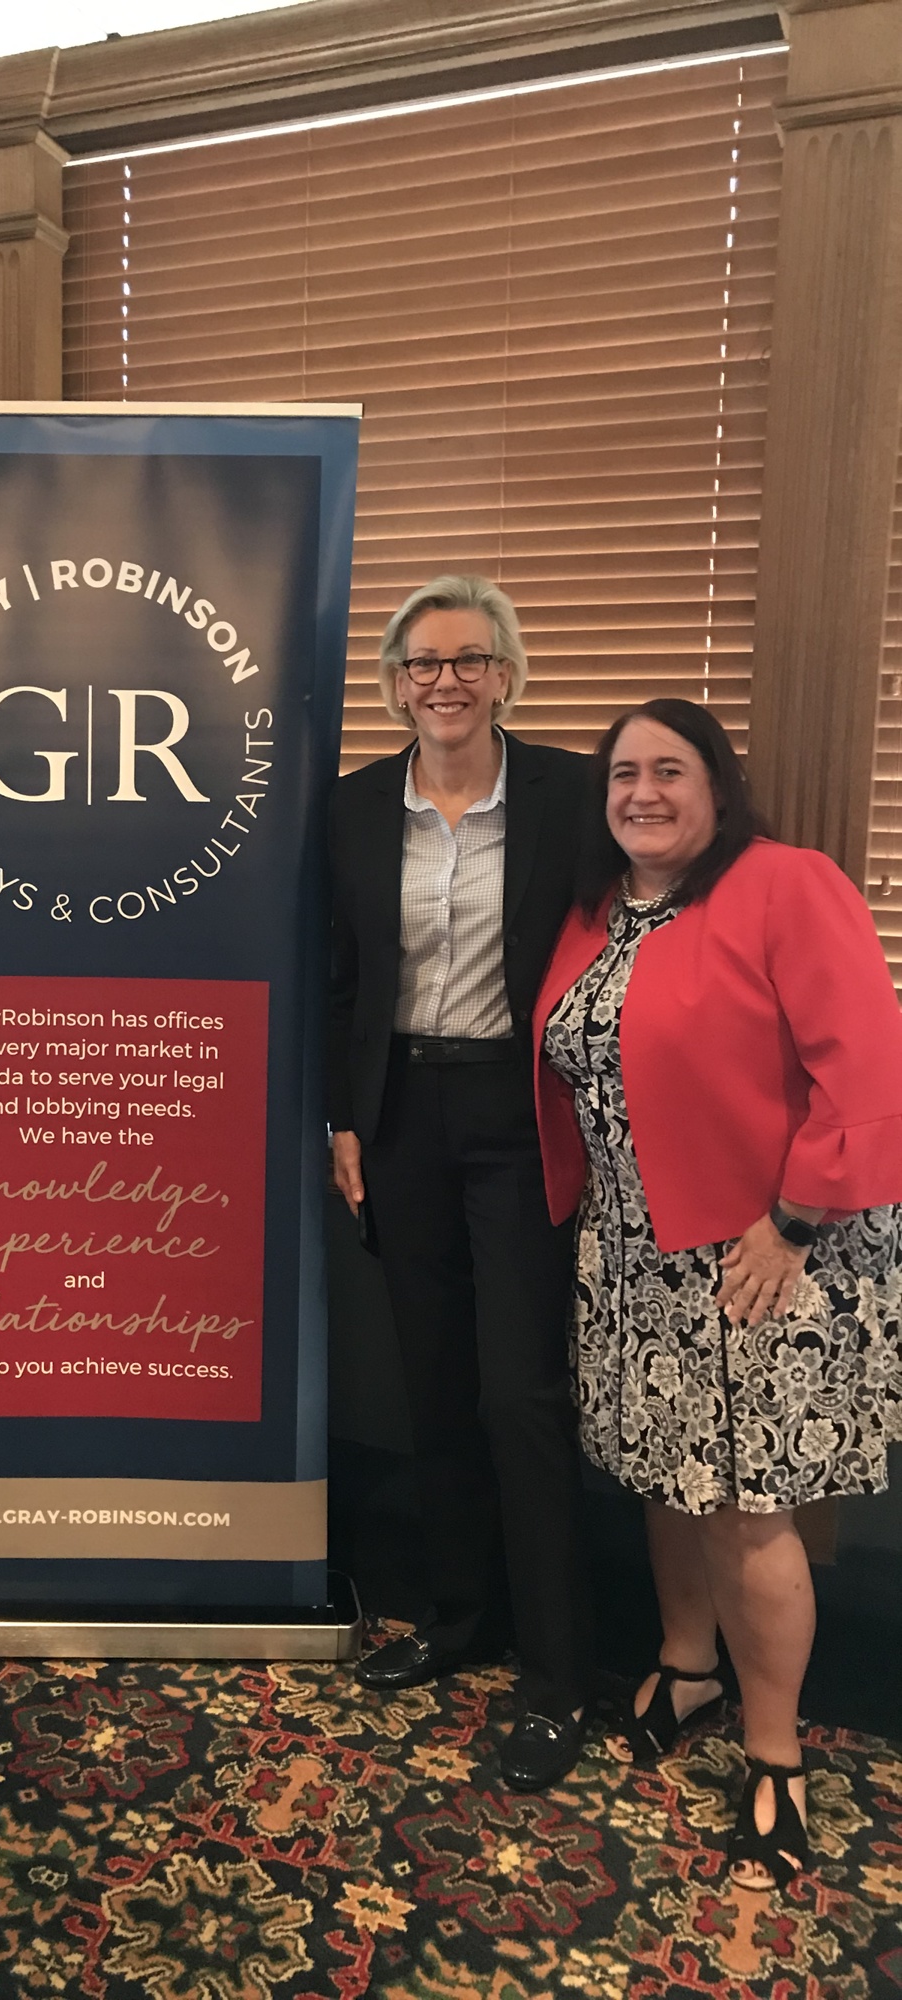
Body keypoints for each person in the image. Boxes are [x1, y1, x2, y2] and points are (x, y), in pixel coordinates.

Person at [533, 697, 902, 1891]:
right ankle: (686, 1664)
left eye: (669, 770)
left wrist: (794, 1220)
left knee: (749, 1502)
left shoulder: (785, 884)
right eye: (622, 773)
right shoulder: (602, 912)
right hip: (637, 1252)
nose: (642, 791)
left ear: (718, 784)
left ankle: (775, 1750)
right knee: (665, 1467)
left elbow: (871, 1066)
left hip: (764, 1253)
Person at [329, 573, 596, 1791]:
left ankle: (556, 1672)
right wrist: (343, 1117)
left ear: (506, 674)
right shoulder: (347, 810)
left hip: (518, 1109)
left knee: (521, 1392)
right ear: (393, 683)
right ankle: (458, 1618)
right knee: (430, 1377)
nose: (444, 680)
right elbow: (337, 974)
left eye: (468, 659)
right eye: (421, 662)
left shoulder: (574, 797)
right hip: (398, 1120)